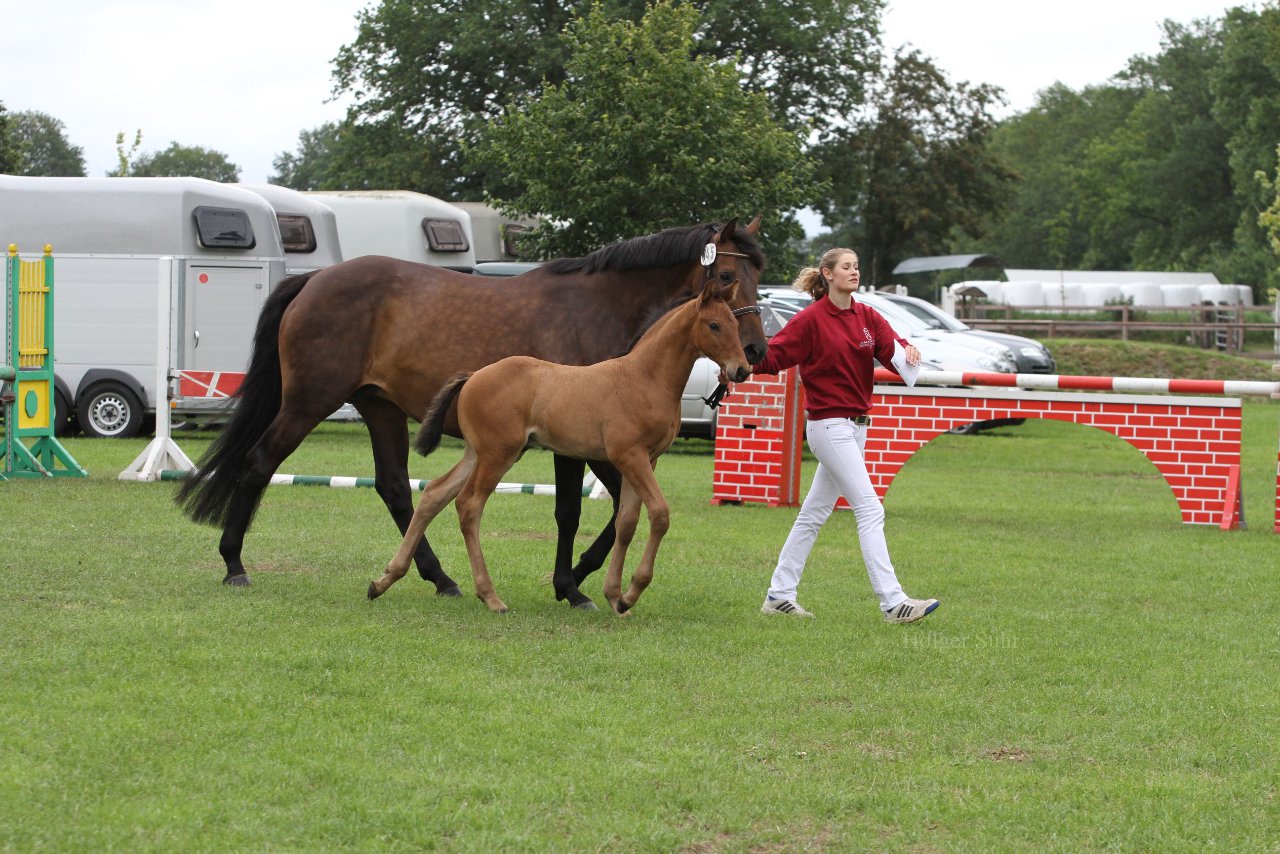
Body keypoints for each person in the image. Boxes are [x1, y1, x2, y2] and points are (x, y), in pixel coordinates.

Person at [749, 248, 940, 624]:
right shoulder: (810, 321)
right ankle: (893, 603)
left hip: (857, 428)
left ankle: (778, 596)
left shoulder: (866, 315)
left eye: (857, 266)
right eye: (847, 267)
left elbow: (892, 349)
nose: (854, 272)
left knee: (813, 513)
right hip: (828, 426)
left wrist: (909, 349)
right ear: (828, 274)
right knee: (870, 508)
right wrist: (735, 362)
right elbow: (771, 359)